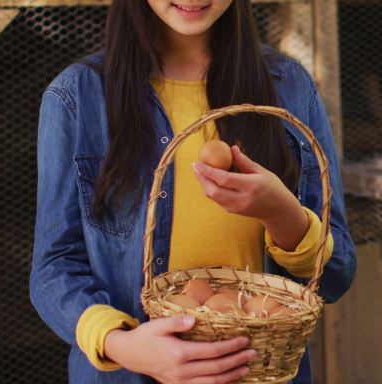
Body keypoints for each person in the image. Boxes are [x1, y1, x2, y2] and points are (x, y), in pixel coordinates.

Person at [29, 0, 356, 383]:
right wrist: (123, 344)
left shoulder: (288, 86)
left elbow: (336, 277)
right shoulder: (77, 97)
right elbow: (54, 269)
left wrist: (283, 214)